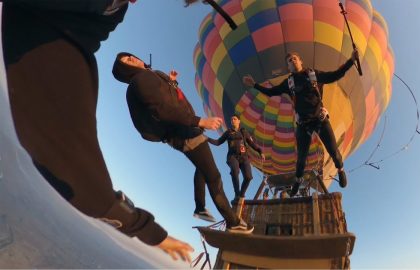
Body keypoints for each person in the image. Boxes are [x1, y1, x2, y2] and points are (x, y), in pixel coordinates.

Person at [2, 0, 194, 262]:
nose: (134, 59)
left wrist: (145, 229)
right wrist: (147, 230)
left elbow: (83, 180)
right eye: (127, 59)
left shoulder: (101, 23)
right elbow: (79, 176)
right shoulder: (56, 42)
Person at [111, 52, 254, 233]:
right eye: (127, 61)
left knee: (202, 169)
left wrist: (171, 82)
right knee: (214, 177)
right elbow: (162, 110)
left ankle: (200, 208)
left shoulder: (148, 76)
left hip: (185, 132)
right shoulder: (141, 79)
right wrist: (199, 121)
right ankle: (233, 222)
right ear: (125, 69)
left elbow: (167, 99)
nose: (132, 59)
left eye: (130, 56)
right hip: (186, 132)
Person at [243, 50, 358, 196]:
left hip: (320, 119)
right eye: (289, 61)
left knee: (334, 151)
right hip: (303, 124)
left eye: (295, 58)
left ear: (301, 61)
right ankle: (297, 180)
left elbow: (334, 75)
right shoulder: (288, 82)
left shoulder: (313, 75)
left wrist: (351, 61)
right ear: (288, 67)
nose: (292, 61)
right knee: (301, 160)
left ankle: (340, 169)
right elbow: (272, 92)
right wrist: (254, 85)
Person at [208, 115, 265, 200]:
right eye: (231, 119)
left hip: (244, 156)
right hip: (232, 156)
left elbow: (251, 143)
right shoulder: (228, 132)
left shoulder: (243, 132)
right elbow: (218, 142)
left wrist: (260, 151)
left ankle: (241, 194)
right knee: (235, 171)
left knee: (248, 177)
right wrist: (206, 139)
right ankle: (237, 193)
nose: (232, 120)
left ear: (239, 121)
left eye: (234, 119)